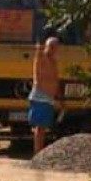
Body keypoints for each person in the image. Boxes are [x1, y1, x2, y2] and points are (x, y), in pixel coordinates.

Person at [28, 26, 61, 156]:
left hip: (49, 99)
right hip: (40, 97)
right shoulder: (42, 58)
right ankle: (37, 153)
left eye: (56, 47)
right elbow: (38, 54)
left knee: (44, 128)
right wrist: (39, 47)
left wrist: (58, 97)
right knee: (39, 128)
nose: (54, 49)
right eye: (51, 47)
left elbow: (55, 79)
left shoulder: (54, 62)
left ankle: (40, 151)